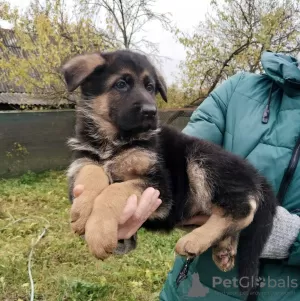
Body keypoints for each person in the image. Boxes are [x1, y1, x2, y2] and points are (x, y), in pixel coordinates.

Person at [72, 51, 300, 301]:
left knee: (201, 161)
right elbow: (176, 163)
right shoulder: (239, 89)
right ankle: (228, 225)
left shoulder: (144, 146)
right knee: (195, 155)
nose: (148, 103)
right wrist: (106, 211)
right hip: (189, 290)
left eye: (150, 88)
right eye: (122, 84)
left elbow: (158, 191)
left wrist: (283, 234)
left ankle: (233, 216)